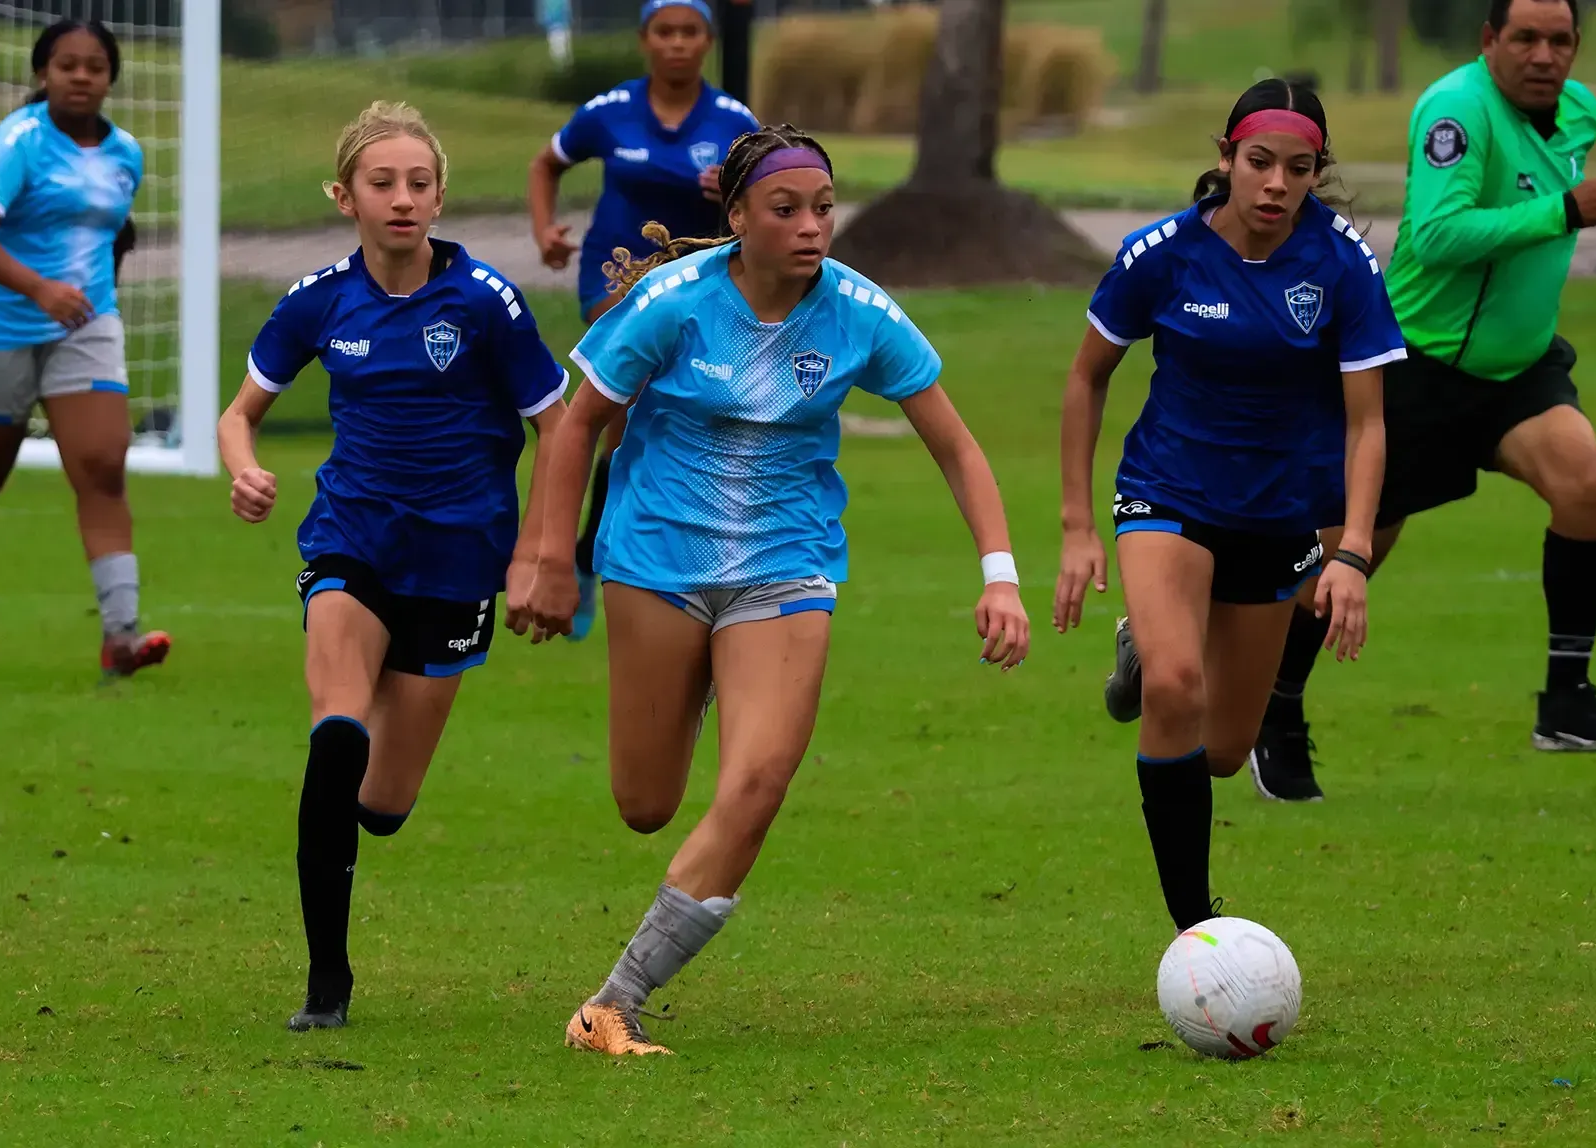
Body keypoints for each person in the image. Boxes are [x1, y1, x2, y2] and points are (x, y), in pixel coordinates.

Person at [517, 124, 1030, 1055]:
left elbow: (955, 445)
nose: (810, 227)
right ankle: (704, 683)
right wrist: (552, 560)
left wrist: (1000, 575)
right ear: (739, 217)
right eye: (786, 210)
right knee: (646, 804)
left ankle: (611, 1003)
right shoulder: (672, 304)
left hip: (785, 571)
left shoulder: (859, 311)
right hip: (656, 568)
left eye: (824, 209)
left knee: (757, 781)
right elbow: (576, 422)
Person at [217, 102, 569, 1031]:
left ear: (441, 195)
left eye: (419, 183)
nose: (403, 198)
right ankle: (325, 984)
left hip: (458, 563)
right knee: (335, 731)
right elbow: (238, 411)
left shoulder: (487, 301)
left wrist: (544, 547)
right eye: (383, 183)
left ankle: (365, 784)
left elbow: (558, 424)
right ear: (345, 197)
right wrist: (244, 468)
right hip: (352, 539)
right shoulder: (317, 301)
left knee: (380, 804)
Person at [1243, 0, 1596, 801]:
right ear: (1488, 40)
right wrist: (1565, 209)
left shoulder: (1580, 114)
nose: (1543, 54)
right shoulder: (1455, 110)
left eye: (1559, 40)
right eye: (1524, 38)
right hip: (1418, 366)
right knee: (1344, 556)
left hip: (1517, 369)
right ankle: (1272, 714)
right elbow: (1434, 236)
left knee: (1585, 486)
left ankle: (1563, 701)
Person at [1053, 79, 1399, 933]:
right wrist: (1076, 526)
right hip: (1166, 491)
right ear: (1224, 160)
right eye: (1258, 163)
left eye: (1298, 168)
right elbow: (1086, 377)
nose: (1276, 184)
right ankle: (1191, 932)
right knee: (1176, 687)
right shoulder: (1160, 254)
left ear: (1317, 173)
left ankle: (1147, 639)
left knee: (1219, 751)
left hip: (1280, 515)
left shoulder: (1342, 262)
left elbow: (1367, 422)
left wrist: (1351, 550)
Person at [0, 19, 168, 677]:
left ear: (110, 78)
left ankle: (122, 638)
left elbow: (106, 238)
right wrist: (41, 290)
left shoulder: (127, 152)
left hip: (85, 327)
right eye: (67, 65)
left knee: (102, 465)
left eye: (94, 66)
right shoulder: (19, 140)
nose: (80, 77)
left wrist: (91, 303)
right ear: (43, 74)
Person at [527, 0, 761, 643]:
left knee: (662, 423)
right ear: (645, 40)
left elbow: (768, 193)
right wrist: (545, 229)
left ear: (708, 41)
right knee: (619, 413)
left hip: (699, 282)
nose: (678, 43)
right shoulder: (608, 112)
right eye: (666, 31)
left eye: (691, 32)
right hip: (616, 275)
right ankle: (585, 562)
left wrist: (735, 189)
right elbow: (545, 163)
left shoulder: (734, 121)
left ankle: (621, 554)